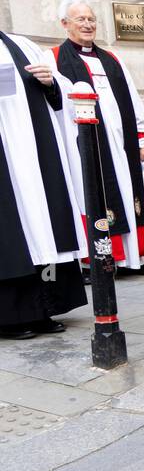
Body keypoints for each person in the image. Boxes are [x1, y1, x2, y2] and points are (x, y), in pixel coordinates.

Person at [53, 0, 144, 280]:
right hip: (85, 146)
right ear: (65, 24)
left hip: (120, 145)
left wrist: (141, 136)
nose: (88, 25)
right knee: (92, 196)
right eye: (81, 19)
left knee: (128, 195)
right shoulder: (54, 58)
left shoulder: (111, 59)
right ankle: (98, 261)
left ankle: (132, 258)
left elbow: (132, 99)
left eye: (91, 19)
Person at [0, 29, 87, 338]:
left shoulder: (22, 43)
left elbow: (62, 90)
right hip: (5, 157)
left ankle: (42, 308)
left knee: (43, 229)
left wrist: (50, 82)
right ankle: (11, 317)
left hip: (36, 152)